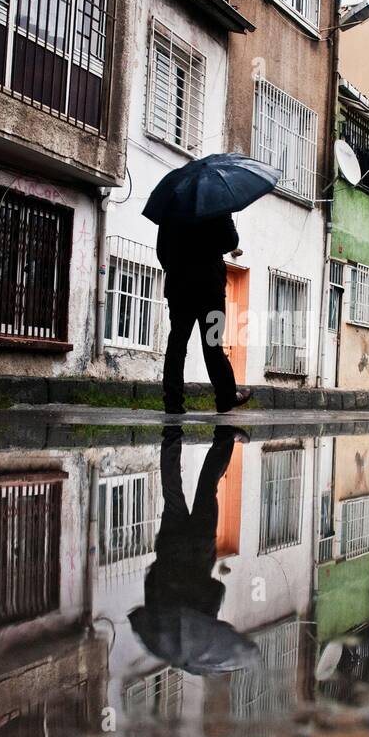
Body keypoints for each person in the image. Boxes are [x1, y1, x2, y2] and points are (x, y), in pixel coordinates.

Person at [128, 425, 259, 675]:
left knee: (208, 487)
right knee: (172, 491)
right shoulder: (161, 623)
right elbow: (152, 576)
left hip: (200, 546)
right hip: (170, 545)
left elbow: (216, 588)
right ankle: (172, 434)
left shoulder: (201, 626)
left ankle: (224, 437)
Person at [156, 213, 253, 415]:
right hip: (209, 288)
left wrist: (177, 269)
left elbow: (162, 251)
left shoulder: (174, 207)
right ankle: (225, 397)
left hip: (179, 287)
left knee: (177, 343)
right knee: (213, 344)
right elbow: (231, 241)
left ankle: (173, 402)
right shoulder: (217, 206)